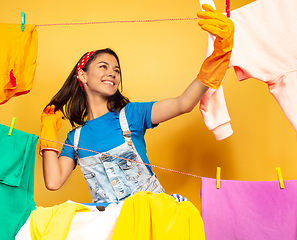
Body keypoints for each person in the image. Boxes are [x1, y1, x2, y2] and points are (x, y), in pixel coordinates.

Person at [40, 4, 234, 203]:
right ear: (82, 75)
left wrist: (217, 58)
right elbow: (53, 182)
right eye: (103, 66)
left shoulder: (131, 114)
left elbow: (182, 104)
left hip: (151, 219)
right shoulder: (76, 138)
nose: (112, 73)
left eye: (116, 70)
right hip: (112, 227)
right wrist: (48, 133)